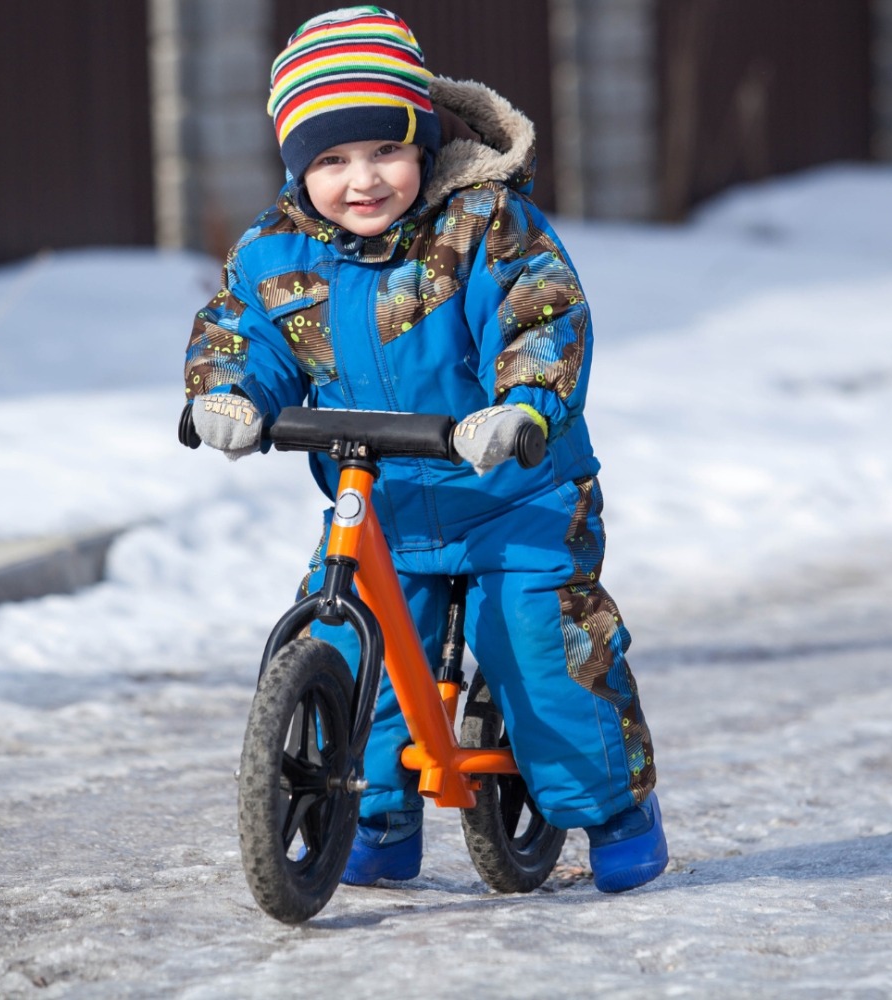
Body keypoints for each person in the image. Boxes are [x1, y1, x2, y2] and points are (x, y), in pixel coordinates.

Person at [181, 5, 667, 893]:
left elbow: (543, 314)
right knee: (350, 637)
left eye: (383, 151)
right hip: (383, 500)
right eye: (329, 160)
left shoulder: (484, 226)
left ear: (425, 142)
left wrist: (522, 407)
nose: (361, 180)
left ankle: (611, 808)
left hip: (514, 495)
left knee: (538, 648)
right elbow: (243, 332)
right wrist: (228, 393)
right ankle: (371, 814)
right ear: (298, 168)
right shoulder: (275, 250)